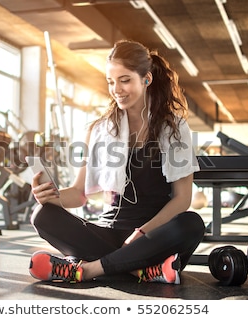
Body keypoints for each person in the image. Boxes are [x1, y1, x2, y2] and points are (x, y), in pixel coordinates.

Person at [27, 39, 205, 284]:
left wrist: (142, 233)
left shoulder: (173, 128)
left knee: (192, 223)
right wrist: (51, 197)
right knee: (42, 215)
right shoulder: (99, 129)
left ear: (146, 79)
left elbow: (182, 199)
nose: (116, 89)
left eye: (125, 80)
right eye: (111, 82)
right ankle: (138, 270)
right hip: (107, 233)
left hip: (152, 237)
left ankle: (88, 269)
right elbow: (79, 194)